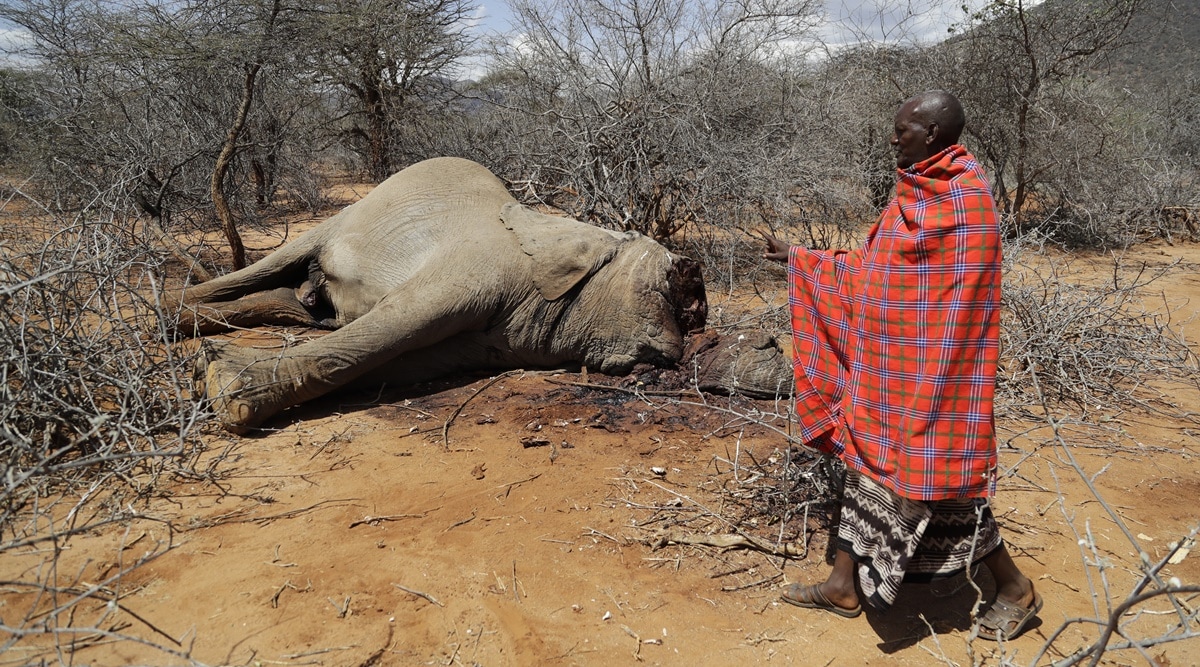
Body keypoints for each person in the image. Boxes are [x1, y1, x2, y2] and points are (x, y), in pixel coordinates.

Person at [762, 90, 1041, 640]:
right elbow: (874, 274)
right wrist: (802, 259)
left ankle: (1013, 586)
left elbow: (956, 300)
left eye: (902, 130)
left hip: (939, 378)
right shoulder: (911, 197)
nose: (893, 138)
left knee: (943, 486)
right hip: (887, 373)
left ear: (932, 133)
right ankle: (844, 583)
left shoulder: (966, 202)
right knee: (863, 464)